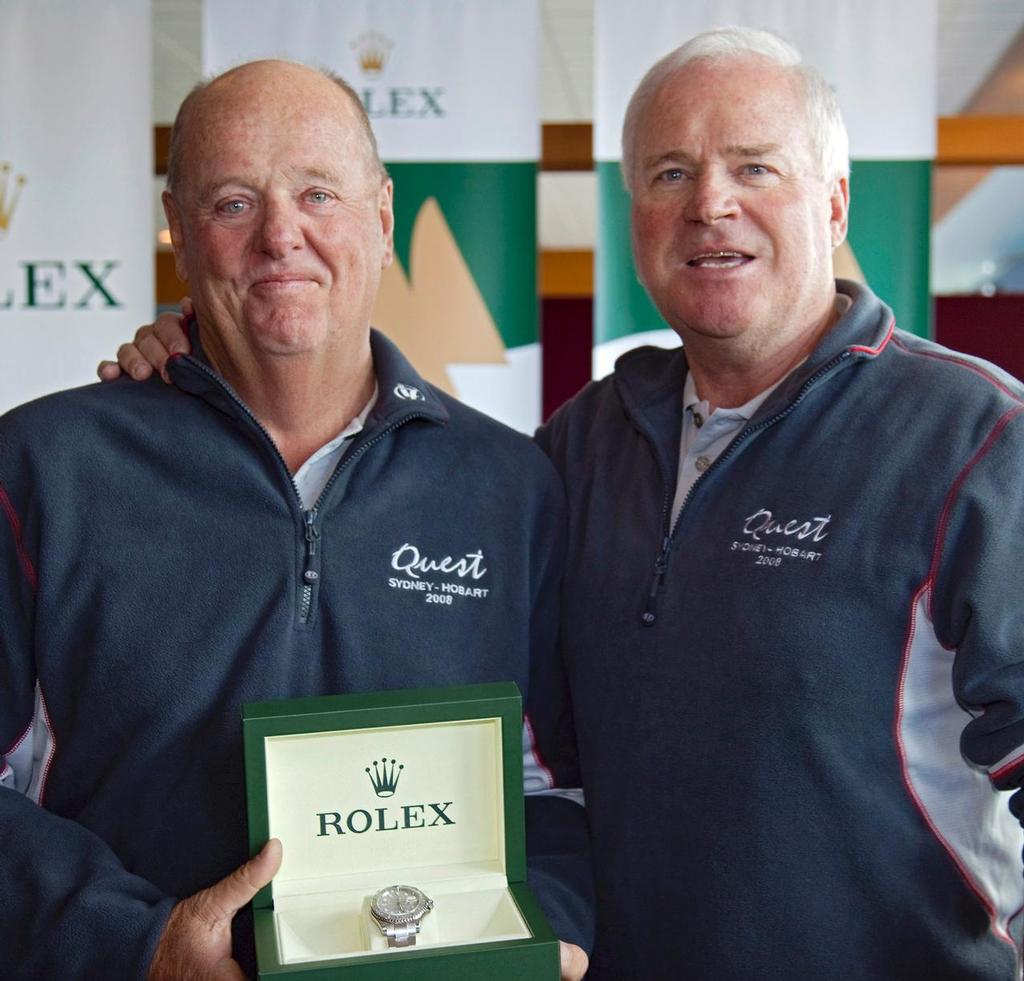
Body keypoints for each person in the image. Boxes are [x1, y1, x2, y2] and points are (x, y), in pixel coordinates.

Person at [102, 28, 1024, 980]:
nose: (711, 204)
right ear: (636, 217)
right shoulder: (578, 448)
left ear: (833, 203)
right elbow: (535, 762)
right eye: (670, 174)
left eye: (754, 167)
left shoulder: (976, 438)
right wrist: (198, 354)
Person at [0, 60, 590, 980]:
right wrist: (134, 942)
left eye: (319, 193)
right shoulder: (41, 468)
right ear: (178, 233)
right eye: (234, 203)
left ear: (384, 217)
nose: (283, 235)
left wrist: (539, 930)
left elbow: (550, 787)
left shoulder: (511, 485)